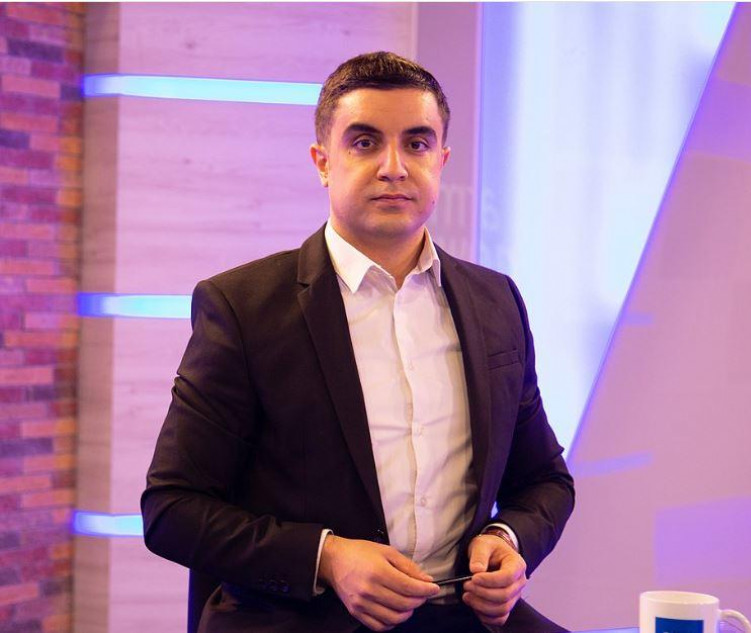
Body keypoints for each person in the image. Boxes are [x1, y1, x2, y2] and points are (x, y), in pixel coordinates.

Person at [141, 51, 575, 633]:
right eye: (365, 143)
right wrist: (328, 558)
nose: (394, 167)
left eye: (417, 144)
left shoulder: (496, 301)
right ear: (323, 162)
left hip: (464, 614)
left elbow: (546, 480)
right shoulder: (242, 307)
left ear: (442, 160)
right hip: (306, 619)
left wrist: (508, 537)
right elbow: (171, 509)